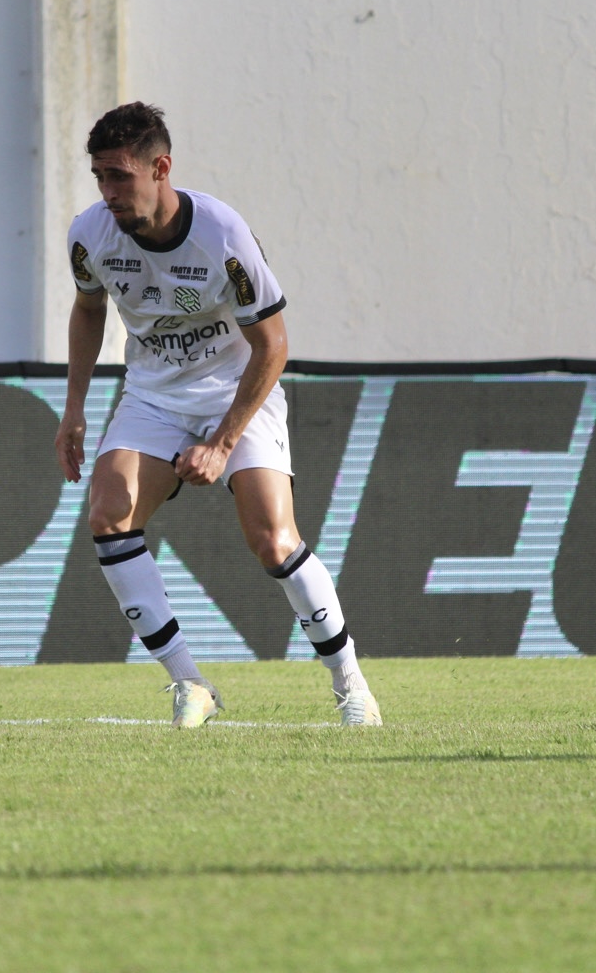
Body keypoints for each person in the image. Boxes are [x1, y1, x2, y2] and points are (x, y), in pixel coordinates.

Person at [56, 102, 382, 728]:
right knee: (108, 514)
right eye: (100, 176)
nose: (109, 191)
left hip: (235, 390)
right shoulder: (89, 233)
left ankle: (352, 686)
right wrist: (74, 409)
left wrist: (223, 441)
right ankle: (191, 684)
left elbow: (273, 344)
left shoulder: (223, 234)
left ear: (162, 167)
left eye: (121, 175)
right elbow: (88, 310)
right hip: (153, 394)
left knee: (272, 538)